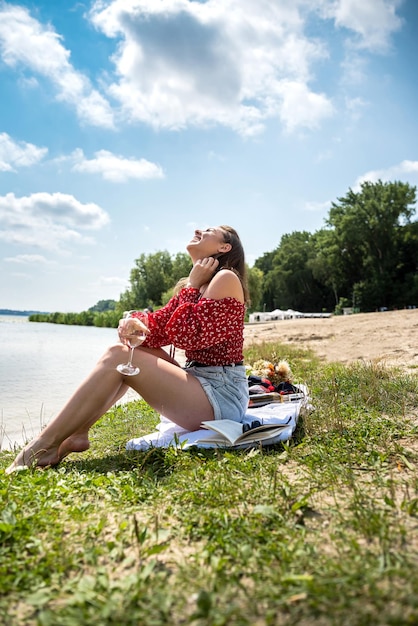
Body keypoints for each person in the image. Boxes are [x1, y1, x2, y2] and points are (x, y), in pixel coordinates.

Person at [6, 226, 249, 474]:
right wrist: (134, 323)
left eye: (209, 230)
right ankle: (78, 432)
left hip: (221, 396)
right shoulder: (200, 285)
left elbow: (188, 337)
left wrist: (191, 287)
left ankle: (42, 445)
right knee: (127, 348)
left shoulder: (225, 278)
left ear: (224, 247)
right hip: (203, 384)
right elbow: (159, 327)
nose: (198, 229)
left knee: (119, 356)